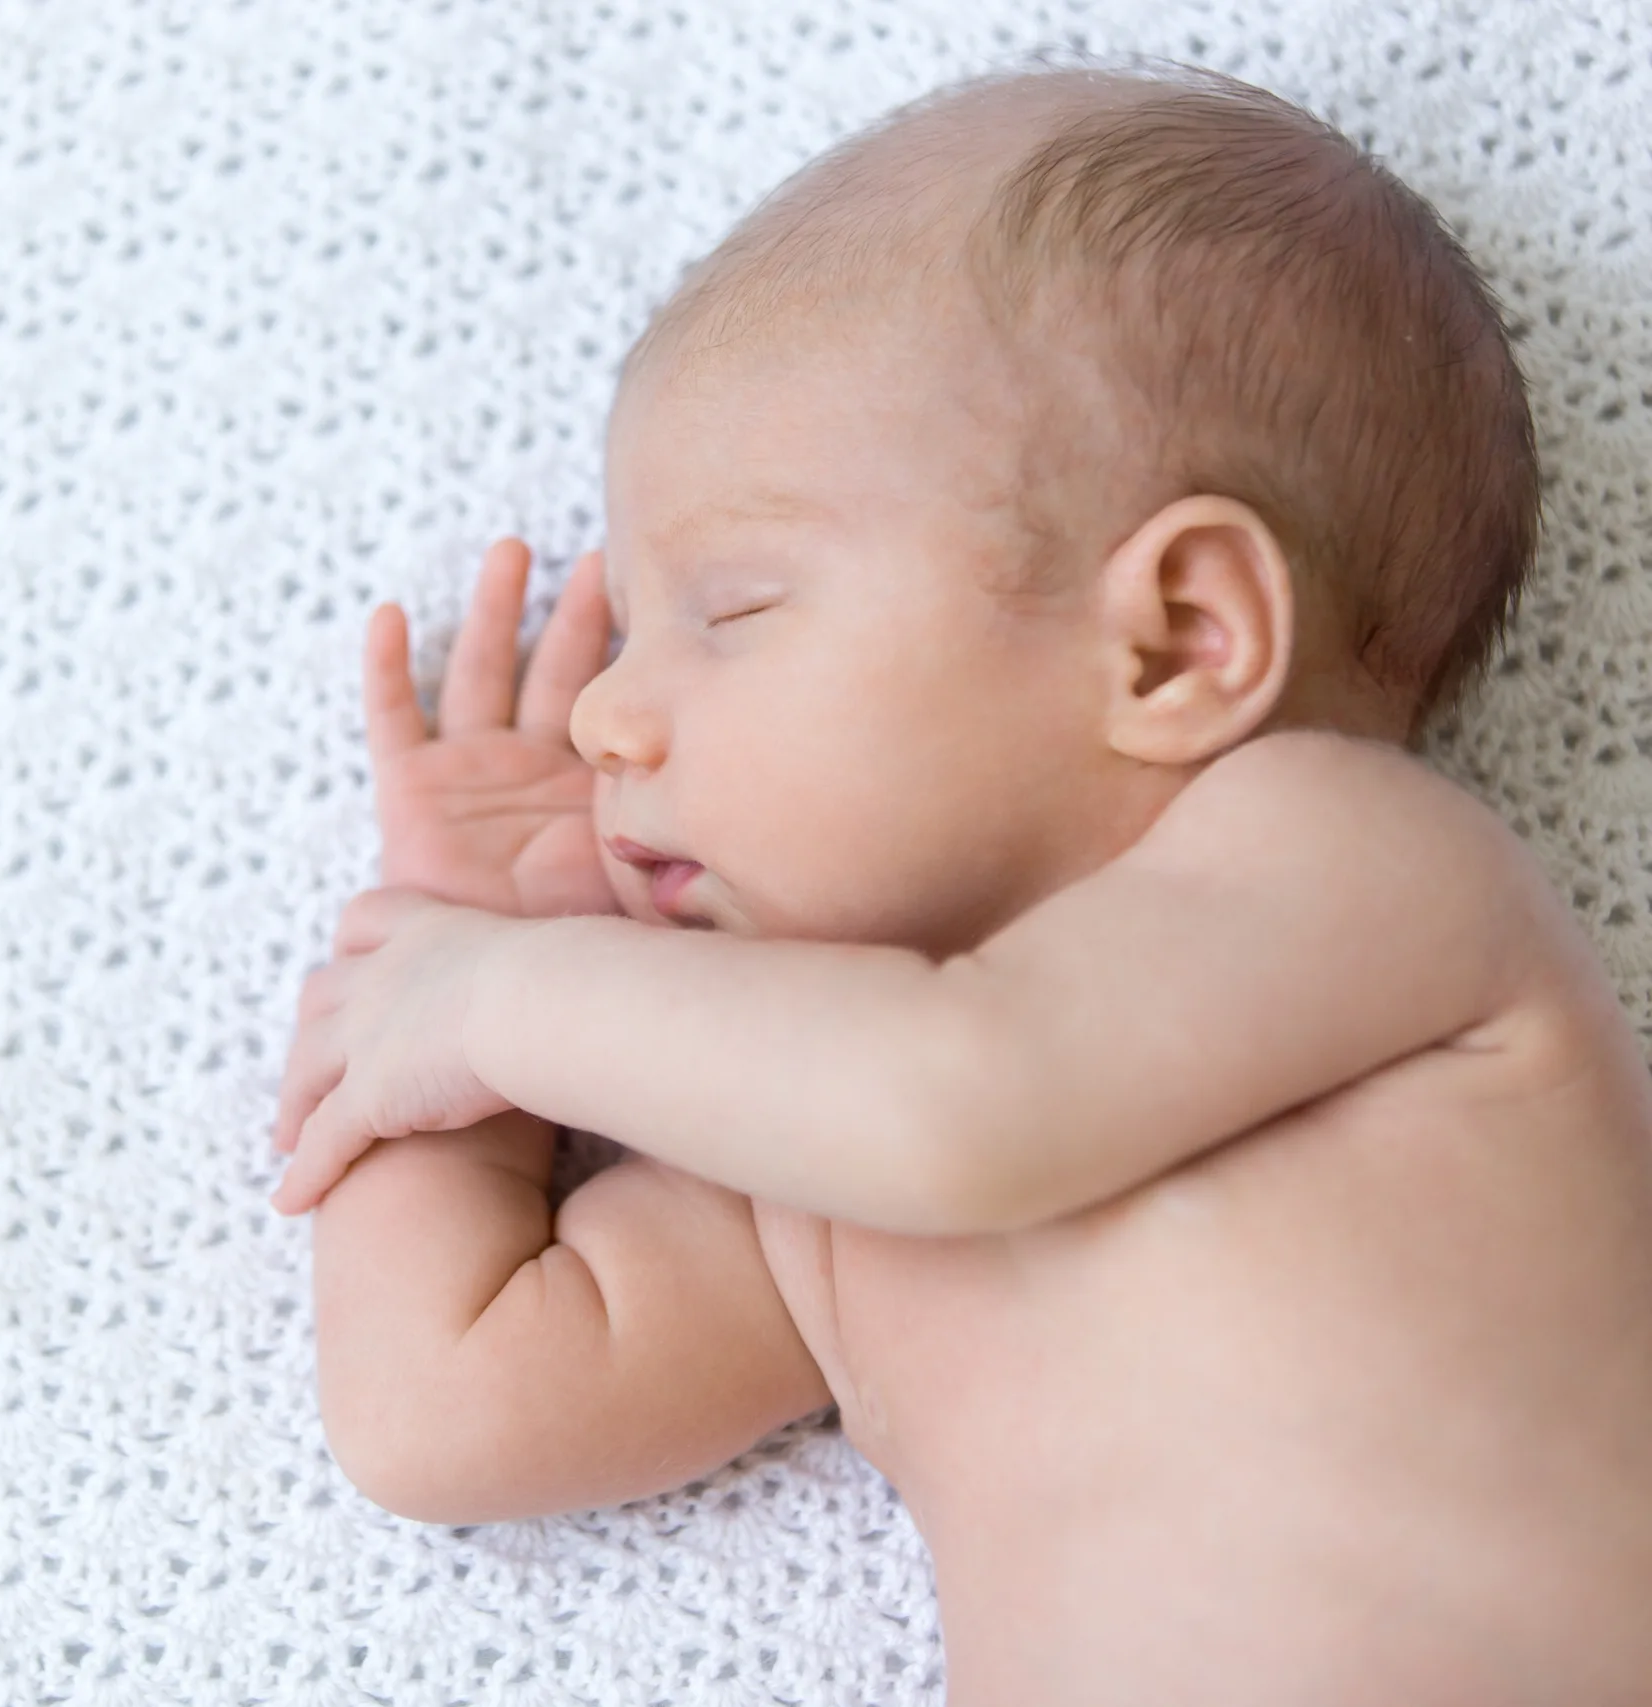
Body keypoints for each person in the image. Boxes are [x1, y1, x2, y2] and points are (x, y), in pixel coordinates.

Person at [267, 60, 1652, 1705]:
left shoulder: (1353, 864)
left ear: (1176, 638)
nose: (601, 714)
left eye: (736, 609)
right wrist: (459, 1001)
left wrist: (503, 1003)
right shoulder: (807, 1173)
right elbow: (447, 1412)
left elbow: (968, 1096)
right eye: (627, 632)